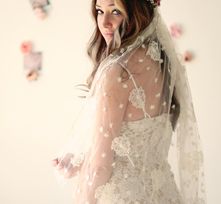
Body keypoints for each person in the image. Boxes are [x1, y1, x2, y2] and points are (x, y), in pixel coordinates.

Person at [52, 0, 207, 203]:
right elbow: (136, 152)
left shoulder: (117, 71)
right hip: (164, 194)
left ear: (137, 13)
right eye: (100, 11)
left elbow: (100, 166)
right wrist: (82, 163)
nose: (104, 22)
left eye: (115, 11)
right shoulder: (163, 63)